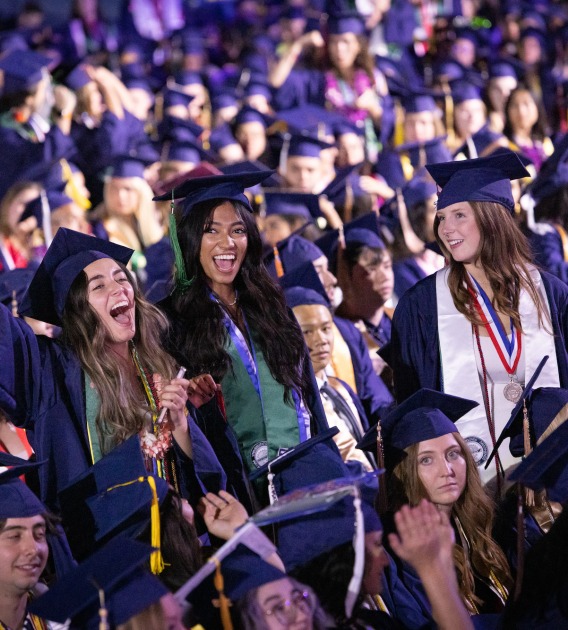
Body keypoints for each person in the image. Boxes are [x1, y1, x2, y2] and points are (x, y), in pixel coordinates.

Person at [388, 151, 568, 487]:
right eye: (441, 217)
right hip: (468, 490)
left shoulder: (550, 293)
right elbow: (415, 411)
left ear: (492, 217)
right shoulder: (421, 307)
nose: (446, 229)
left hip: (550, 481)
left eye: (459, 215)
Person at [0, 228, 212, 511]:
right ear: (77, 311)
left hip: (174, 535)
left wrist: (181, 426)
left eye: (122, 278)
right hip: (103, 546)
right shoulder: (51, 372)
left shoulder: (158, 366)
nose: (118, 288)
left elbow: (205, 483)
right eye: (98, 286)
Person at [154, 170, 331, 508]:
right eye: (211, 231)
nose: (227, 243)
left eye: (237, 231)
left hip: (305, 475)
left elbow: (308, 394)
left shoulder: (273, 308)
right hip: (233, 489)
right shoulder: (169, 321)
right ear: (191, 240)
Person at [359, 389, 512, 616]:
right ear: (405, 472)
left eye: (453, 454)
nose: (447, 470)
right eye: (426, 460)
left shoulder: (476, 521)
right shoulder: (400, 551)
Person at [285, 284, 375, 471]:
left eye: (326, 329)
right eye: (307, 332)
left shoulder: (339, 388)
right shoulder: (291, 402)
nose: (321, 340)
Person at [503, 84, 553, 173]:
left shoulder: (545, 142)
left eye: (526, 103)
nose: (521, 111)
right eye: (514, 105)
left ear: (537, 107)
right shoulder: (504, 147)